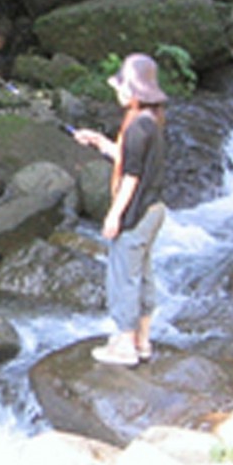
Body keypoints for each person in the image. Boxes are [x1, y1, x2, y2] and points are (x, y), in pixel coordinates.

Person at [72, 53, 168, 366]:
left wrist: (114, 215)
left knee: (124, 276)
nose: (117, 92)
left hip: (136, 213)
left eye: (121, 86)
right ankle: (142, 340)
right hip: (154, 210)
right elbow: (130, 161)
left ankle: (125, 346)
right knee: (142, 274)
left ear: (134, 90)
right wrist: (100, 141)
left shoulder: (138, 127)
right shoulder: (151, 121)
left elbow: (131, 176)